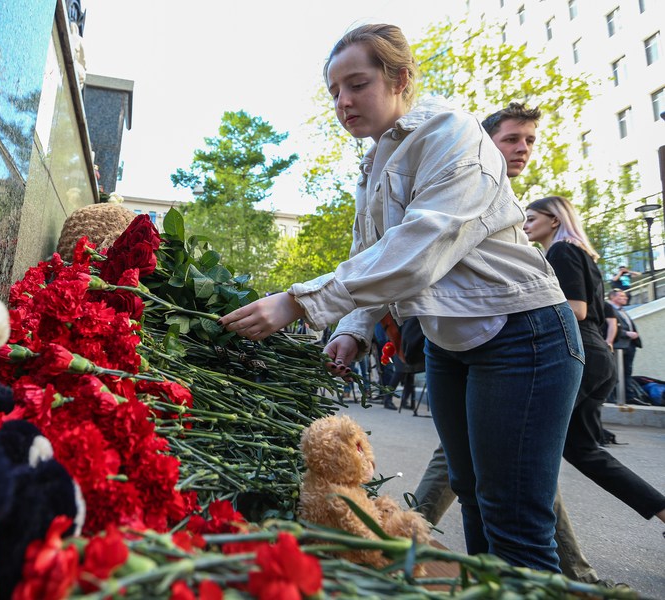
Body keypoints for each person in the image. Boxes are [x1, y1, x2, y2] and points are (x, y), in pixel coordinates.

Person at [219, 24, 583, 572]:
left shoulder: (451, 133)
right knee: (475, 499)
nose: (343, 103)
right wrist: (352, 328)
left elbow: (419, 248)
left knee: (514, 519)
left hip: (523, 334)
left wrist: (298, 302)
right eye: (334, 92)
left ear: (401, 79)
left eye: (357, 84)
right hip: (451, 344)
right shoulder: (373, 163)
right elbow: (373, 249)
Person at [412, 103, 603, 583]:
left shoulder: (539, 231)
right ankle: (546, 577)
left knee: (514, 501)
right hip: (458, 343)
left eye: (529, 140)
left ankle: (570, 573)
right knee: (485, 488)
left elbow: (578, 309)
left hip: (528, 344)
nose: (523, 149)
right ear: (482, 140)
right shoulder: (465, 177)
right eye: (512, 139)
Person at [523, 196, 665, 530]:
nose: (526, 225)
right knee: (582, 450)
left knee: (523, 445)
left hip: (579, 355)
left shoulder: (562, 250)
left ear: (554, 220)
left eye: (531, 218)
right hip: (596, 356)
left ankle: (529, 540)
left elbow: (577, 309)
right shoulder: (578, 252)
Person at [607, 288, 648, 405]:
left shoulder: (622, 311)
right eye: (621, 296)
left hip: (630, 345)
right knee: (614, 373)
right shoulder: (608, 309)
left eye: (624, 296)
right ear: (612, 297)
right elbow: (608, 327)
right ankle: (612, 398)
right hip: (618, 345)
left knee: (627, 372)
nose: (625, 298)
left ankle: (629, 397)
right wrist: (626, 333)